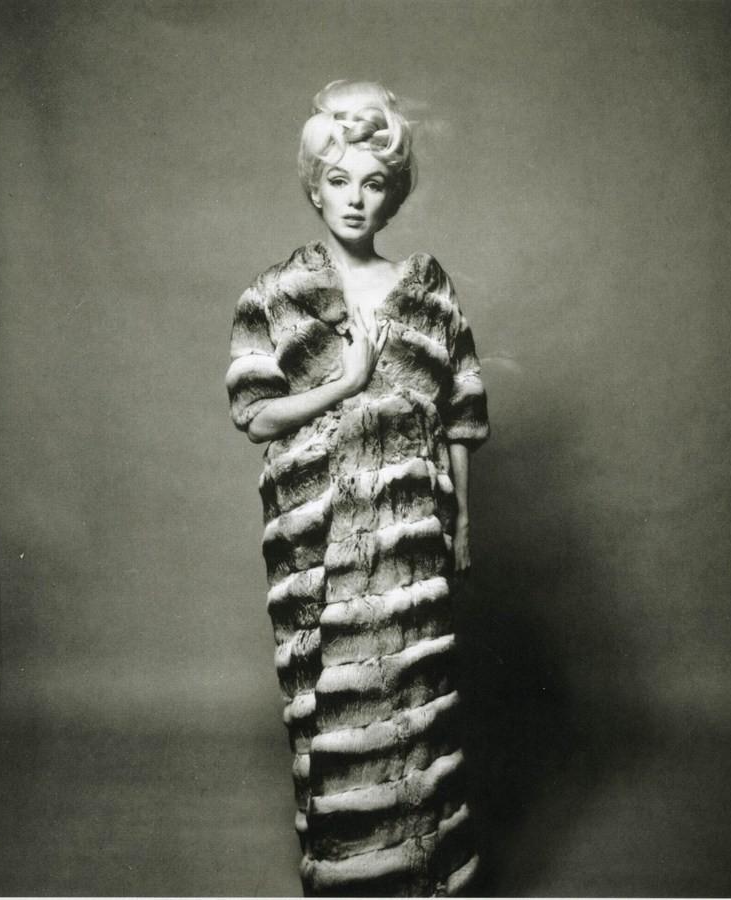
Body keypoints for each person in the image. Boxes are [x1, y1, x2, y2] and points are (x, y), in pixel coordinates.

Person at [226, 80, 490, 897]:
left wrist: (461, 525)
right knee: (332, 718)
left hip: (411, 544)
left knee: (415, 707)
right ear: (315, 185)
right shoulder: (275, 295)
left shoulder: (429, 291)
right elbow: (255, 415)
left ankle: (425, 880)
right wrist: (345, 382)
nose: (354, 198)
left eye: (373, 183)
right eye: (338, 179)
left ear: (393, 193)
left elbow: (461, 415)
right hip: (318, 547)